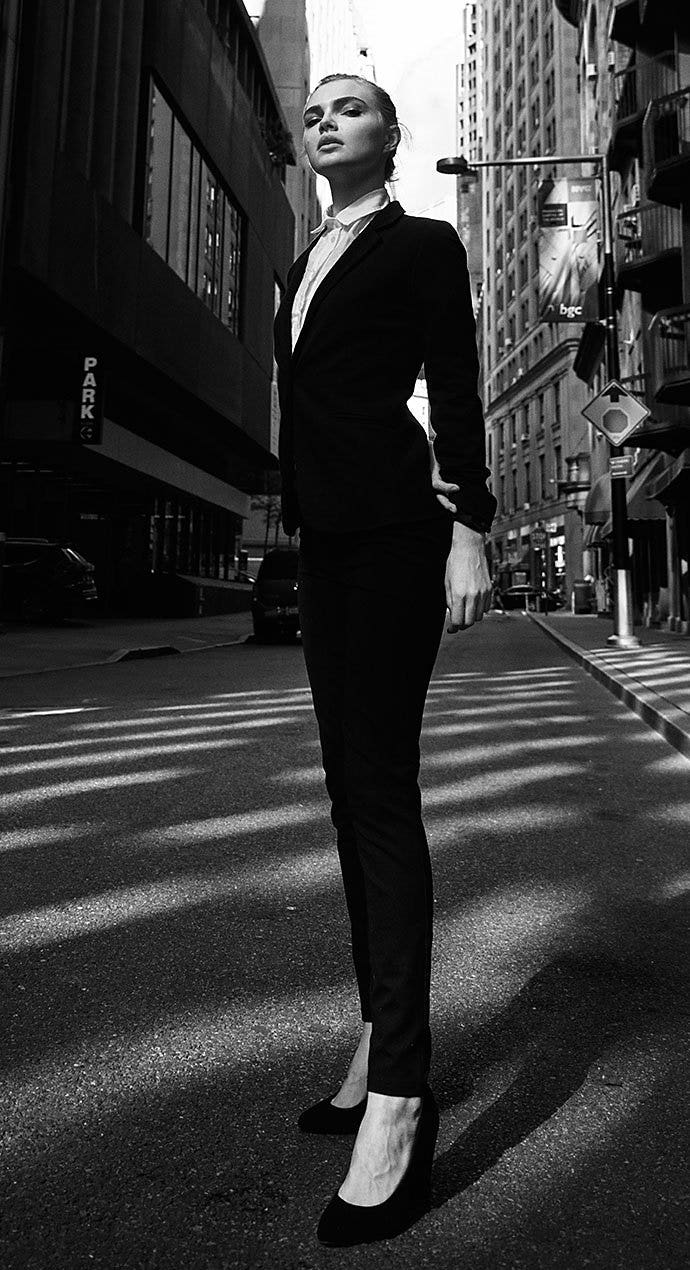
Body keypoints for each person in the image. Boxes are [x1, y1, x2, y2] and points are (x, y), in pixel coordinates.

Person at [273, 73, 496, 1247]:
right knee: (347, 790)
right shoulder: (306, 254)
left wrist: (472, 525)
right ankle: (378, 1030)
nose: (325, 121)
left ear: (393, 135)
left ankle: (402, 1096)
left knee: (381, 796)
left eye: (351, 107)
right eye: (313, 111)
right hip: (327, 542)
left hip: (402, 536)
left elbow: (452, 380)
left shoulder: (424, 244)